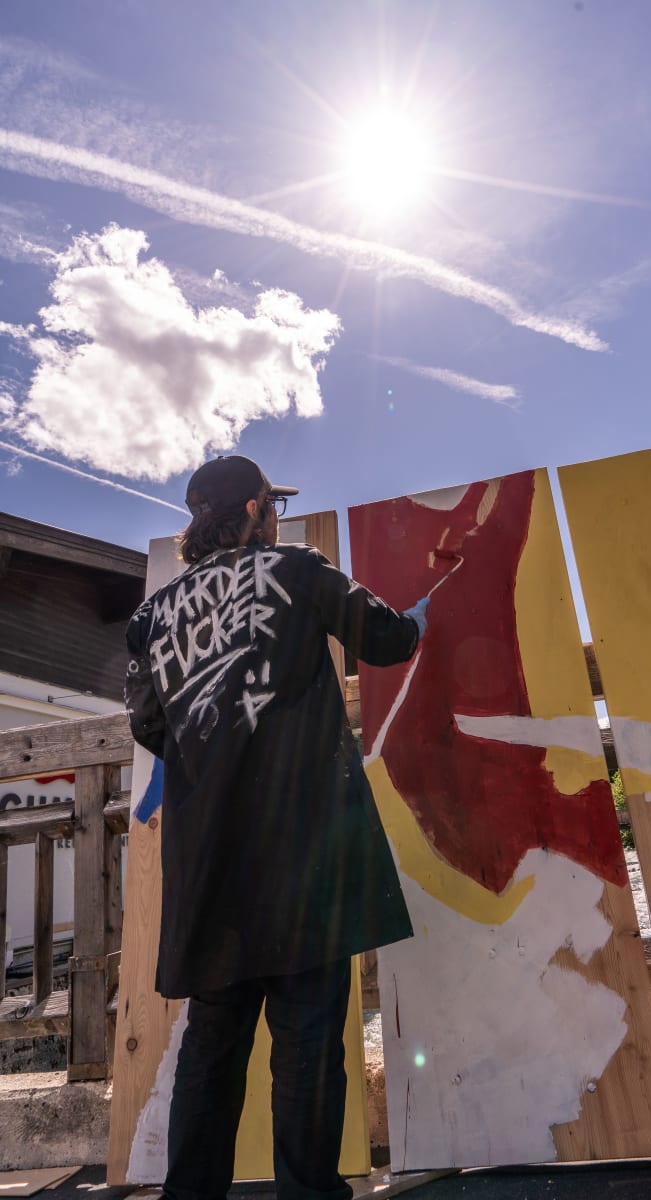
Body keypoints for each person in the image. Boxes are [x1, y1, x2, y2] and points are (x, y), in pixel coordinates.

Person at [124, 454, 428, 1200]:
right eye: (272, 504)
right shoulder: (295, 568)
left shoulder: (153, 618)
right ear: (256, 512)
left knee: (211, 1047)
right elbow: (386, 639)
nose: (279, 516)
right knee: (308, 1045)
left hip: (210, 870)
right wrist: (426, 612)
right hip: (301, 860)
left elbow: (150, 726)